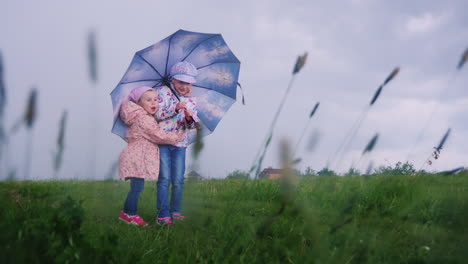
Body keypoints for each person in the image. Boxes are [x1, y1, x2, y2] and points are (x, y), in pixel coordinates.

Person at [118, 86, 183, 226]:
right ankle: (130, 214)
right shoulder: (144, 119)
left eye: (156, 99)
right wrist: (175, 137)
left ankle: (126, 213)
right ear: (139, 104)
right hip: (137, 158)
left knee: (136, 187)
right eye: (148, 100)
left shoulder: (143, 117)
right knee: (137, 188)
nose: (154, 103)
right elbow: (157, 135)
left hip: (136, 157)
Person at [154, 61, 200, 225]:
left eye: (187, 83)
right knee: (164, 178)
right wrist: (175, 107)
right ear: (173, 80)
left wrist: (188, 117)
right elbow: (157, 114)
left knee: (178, 179)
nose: (184, 86)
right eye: (181, 82)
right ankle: (163, 213)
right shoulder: (162, 92)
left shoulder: (191, 100)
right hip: (163, 141)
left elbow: (193, 125)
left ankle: (175, 210)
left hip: (180, 144)